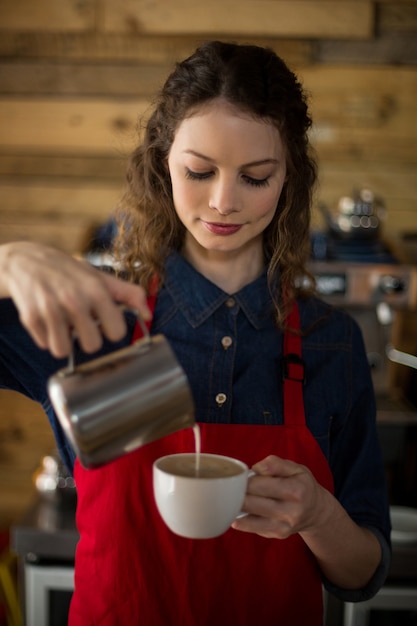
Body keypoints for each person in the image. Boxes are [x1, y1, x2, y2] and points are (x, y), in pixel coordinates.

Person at [0, 41, 390, 625]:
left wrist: (319, 517)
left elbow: (362, 573)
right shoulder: (96, 321)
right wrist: (7, 260)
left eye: (256, 177)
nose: (223, 202)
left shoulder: (330, 342)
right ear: (163, 161)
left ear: (290, 178)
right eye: (199, 171)